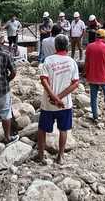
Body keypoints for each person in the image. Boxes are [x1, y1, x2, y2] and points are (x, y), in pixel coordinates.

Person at [37, 35, 79, 164]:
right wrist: (59, 98)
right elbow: (75, 84)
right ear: (67, 46)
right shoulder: (72, 62)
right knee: (63, 129)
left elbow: (44, 80)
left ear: (55, 46)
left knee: (42, 129)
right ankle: (60, 156)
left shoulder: (48, 60)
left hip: (48, 104)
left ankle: (41, 155)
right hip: (64, 104)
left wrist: (54, 97)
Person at [84, 29, 105, 122]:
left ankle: (95, 116)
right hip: (104, 76)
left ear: (96, 36)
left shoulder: (89, 47)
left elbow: (86, 62)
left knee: (93, 97)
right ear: (104, 37)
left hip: (92, 76)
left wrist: (86, 73)